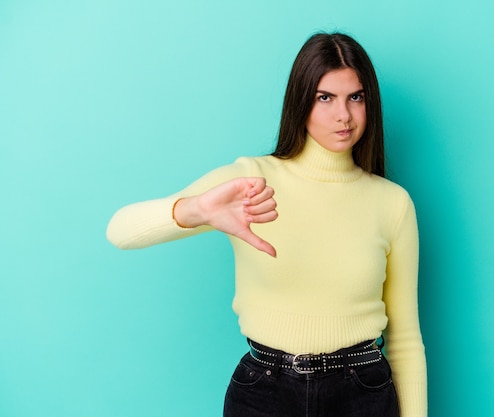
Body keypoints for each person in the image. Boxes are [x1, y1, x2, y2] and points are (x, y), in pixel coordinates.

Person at [107, 32, 427, 417]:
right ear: (301, 101)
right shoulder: (250, 181)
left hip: (362, 391)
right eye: (325, 97)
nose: (343, 115)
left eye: (355, 97)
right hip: (266, 392)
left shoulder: (392, 203)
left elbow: (406, 338)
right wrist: (194, 211)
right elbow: (120, 231)